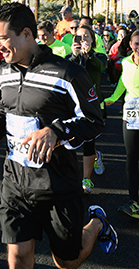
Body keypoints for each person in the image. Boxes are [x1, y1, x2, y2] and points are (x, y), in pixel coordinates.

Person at [0, 3, 118, 269]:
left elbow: (94, 121)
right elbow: (5, 113)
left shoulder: (67, 73)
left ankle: (98, 222)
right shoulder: (6, 73)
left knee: (66, 263)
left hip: (57, 184)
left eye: (3, 39)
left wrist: (56, 131)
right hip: (15, 184)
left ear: (27, 34)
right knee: (18, 265)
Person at [66, 25, 107, 194]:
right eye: (79, 37)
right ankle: (95, 158)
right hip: (74, 106)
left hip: (94, 106)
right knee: (72, 142)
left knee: (89, 142)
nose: (83, 40)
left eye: (86, 37)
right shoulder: (70, 57)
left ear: (93, 40)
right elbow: (66, 73)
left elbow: (100, 68)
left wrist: (88, 54)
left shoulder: (99, 56)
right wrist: (75, 56)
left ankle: (86, 180)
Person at [105, 30, 139, 219]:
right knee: (132, 159)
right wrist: (110, 100)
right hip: (131, 115)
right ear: (131, 45)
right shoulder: (126, 62)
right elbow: (121, 85)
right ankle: (134, 202)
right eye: (136, 43)